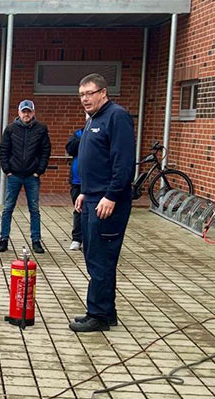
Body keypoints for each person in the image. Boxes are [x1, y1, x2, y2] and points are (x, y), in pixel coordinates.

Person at [70, 73, 135, 333]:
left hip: (109, 201)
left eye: (90, 93)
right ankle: (105, 311)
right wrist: (85, 191)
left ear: (103, 92)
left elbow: (123, 162)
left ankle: (97, 315)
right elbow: (94, 159)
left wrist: (111, 195)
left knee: (101, 258)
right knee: (93, 254)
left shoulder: (116, 116)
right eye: (82, 94)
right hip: (92, 197)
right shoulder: (94, 119)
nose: (85, 98)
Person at [0, 99, 51, 254]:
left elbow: (45, 151)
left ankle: (36, 241)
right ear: (19, 113)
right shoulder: (10, 129)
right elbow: (3, 150)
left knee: (34, 209)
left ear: (33, 112)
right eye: (23, 111)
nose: (26, 114)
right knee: (8, 208)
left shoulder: (41, 129)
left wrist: (39, 171)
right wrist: (7, 170)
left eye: (29, 111)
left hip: (32, 176)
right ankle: (3, 239)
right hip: (14, 175)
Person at [66, 126, 84, 251]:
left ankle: (89, 240)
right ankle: (77, 239)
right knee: (78, 210)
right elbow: (70, 148)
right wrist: (84, 138)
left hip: (95, 182)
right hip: (77, 181)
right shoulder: (79, 132)